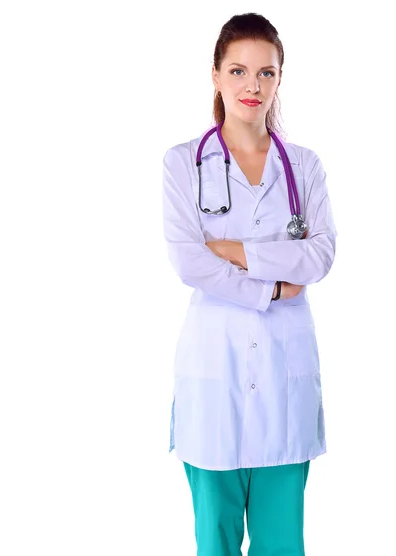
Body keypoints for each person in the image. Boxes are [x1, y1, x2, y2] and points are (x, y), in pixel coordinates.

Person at [161, 12, 337, 556]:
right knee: (213, 543)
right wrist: (274, 286)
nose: (252, 86)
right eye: (238, 71)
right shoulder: (182, 164)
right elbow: (190, 263)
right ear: (215, 75)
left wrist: (236, 252)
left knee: (282, 543)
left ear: (280, 79)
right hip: (216, 371)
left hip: (284, 376)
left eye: (266, 73)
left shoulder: (303, 166)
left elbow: (320, 255)